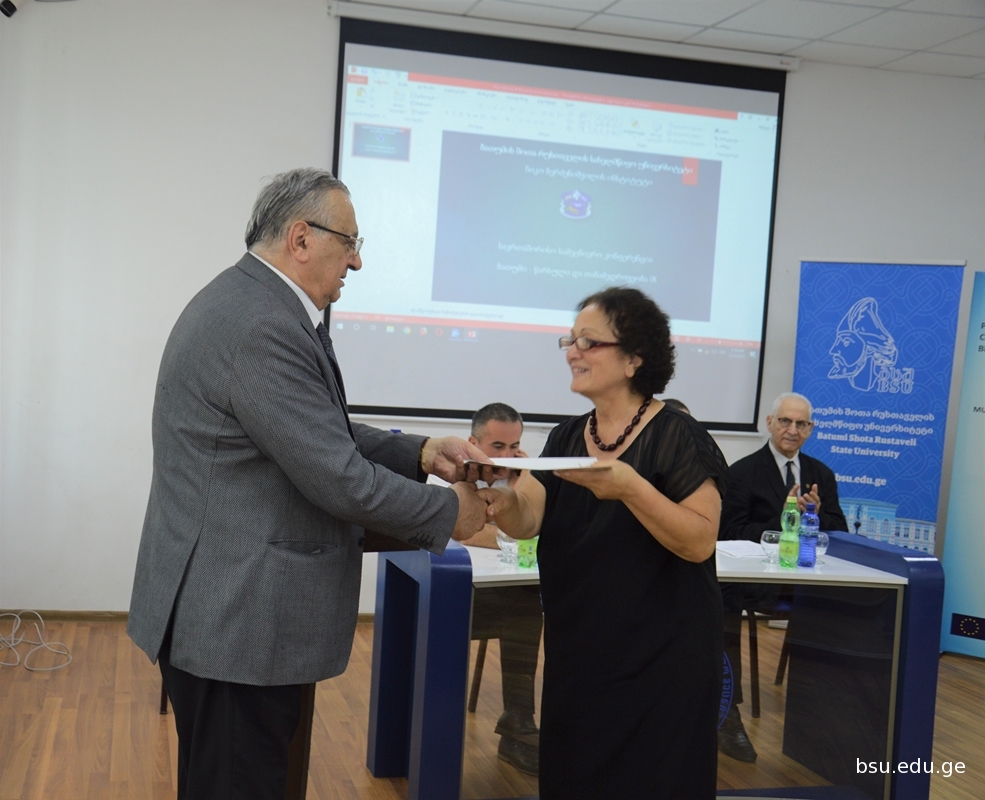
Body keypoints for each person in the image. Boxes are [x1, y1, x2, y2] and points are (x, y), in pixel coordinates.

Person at [127, 168, 495, 800]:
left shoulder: (248, 302)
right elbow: (338, 477)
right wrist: (446, 513)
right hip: (237, 624)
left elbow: (317, 429)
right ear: (300, 238)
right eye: (350, 242)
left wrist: (420, 453)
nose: (357, 261)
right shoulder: (262, 325)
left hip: (229, 617)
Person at [483, 287, 730, 800]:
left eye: (588, 342)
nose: (572, 352)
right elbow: (528, 517)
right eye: (569, 341)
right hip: (580, 656)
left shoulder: (678, 435)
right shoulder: (566, 436)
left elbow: (700, 540)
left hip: (664, 662)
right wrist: (500, 496)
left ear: (635, 358)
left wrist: (630, 488)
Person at [716, 391, 849, 762]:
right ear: (770, 423)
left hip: (806, 582)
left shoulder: (821, 474)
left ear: (811, 429)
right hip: (756, 582)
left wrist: (815, 514)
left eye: (801, 424)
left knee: (849, 601)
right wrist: (787, 520)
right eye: (786, 421)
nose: (793, 430)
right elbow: (729, 531)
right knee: (721, 599)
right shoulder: (742, 472)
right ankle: (727, 715)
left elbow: (839, 530)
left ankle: (834, 713)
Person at [463, 403, 543, 775]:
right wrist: (511, 534)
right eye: (498, 446)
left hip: (504, 592)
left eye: (515, 447)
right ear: (473, 443)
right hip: (456, 594)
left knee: (525, 604)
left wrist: (523, 483)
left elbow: (532, 534)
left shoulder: (521, 481)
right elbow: (466, 530)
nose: (507, 457)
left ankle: (519, 722)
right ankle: (518, 724)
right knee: (522, 609)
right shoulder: (454, 477)